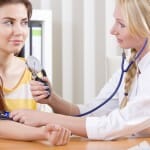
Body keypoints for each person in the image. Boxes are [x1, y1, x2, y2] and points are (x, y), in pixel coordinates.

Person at [10, 0, 150, 140]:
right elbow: (91, 114)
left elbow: (110, 127)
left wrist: (45, 118)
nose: (112, 30)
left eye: (122, 24)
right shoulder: (130, 65)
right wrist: (52, 99)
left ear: (144, 27)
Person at [0, 0, 71, 145]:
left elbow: (44, 119)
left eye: (24, 22)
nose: (19, 31)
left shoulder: (32, 72)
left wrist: (52, 130)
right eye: (8, 22)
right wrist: (43, 133)